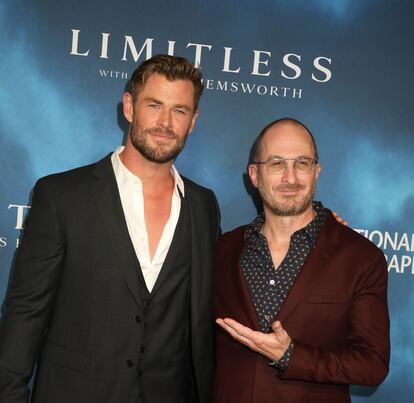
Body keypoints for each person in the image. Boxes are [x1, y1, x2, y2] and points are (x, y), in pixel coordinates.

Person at [0, 55, 220, 403]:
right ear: (130, 107)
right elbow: (26, 312)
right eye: (154, 105)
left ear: (193, 121)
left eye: (179, 110)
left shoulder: (204, 206)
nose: (165, 122)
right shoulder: (62, 196)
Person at [213, 118, 389, 403]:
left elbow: (373, 365)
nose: (291, 177)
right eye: (277, 163)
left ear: (317, 171)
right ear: (254, 175)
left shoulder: (360, 258)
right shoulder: (224, 250)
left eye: (302, 163)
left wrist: (291, 356)